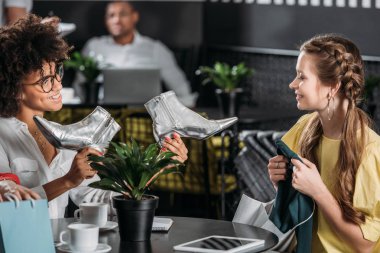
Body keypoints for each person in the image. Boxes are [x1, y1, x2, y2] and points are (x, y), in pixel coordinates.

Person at [0, 14, 188, 218]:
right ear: (14, 89)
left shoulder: (63, 137)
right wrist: (67, 181)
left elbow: (100, 198)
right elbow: (8, 207)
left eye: (58, 73)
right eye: (45, 80)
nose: (58, 85)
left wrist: (158, 166)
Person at [267, 34, 379, 252]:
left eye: (302, 77)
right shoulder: (303, 127)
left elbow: (365, 245)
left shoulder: (371, 151)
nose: (293, 84)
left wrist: (318, 192)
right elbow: (298, 209)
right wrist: (281, 183)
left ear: (333, 87)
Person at [74, 0, 198, 107]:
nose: (116, 20)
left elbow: (182, 91)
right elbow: (79, 87)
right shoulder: (94, 46)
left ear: (135, 16)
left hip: (146, 116)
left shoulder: (155, 49)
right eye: (111, 15)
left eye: (122, 14)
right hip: (104, 113)